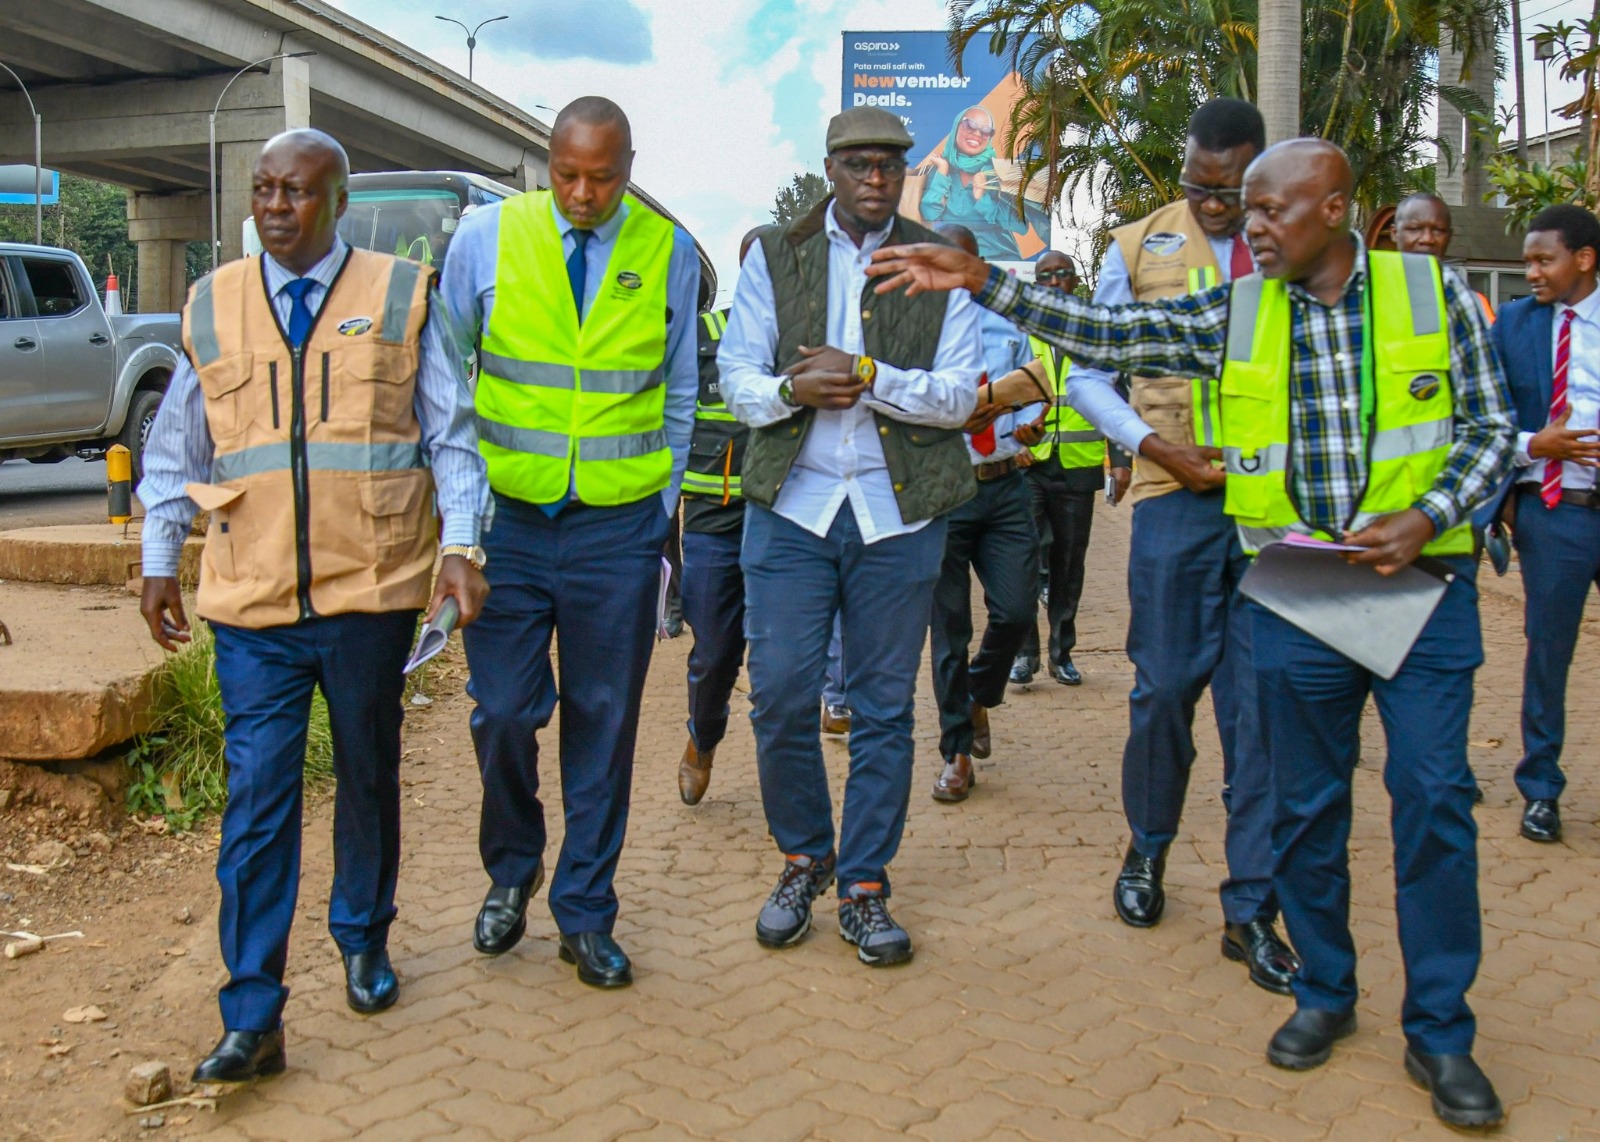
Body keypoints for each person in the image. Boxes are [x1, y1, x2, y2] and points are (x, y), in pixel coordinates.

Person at [869, 136, 1515, 1130]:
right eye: (1244, 208)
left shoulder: (1432, 298)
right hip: (1304, 580)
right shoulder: (1240, 308)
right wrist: (985, 280)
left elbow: (1489, 430)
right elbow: (1112, 333)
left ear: (1335, 206)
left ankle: (1439, 1030)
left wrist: (1429, 513)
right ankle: (1327, 993)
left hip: (1417, 581)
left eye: (1270, 209)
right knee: (1303, 803)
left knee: (1432, 798)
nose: (1250, 226)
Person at [137, 129, 491, 1081]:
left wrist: (461, 548)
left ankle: (363, 938)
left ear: (337, 203)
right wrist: (158, 554)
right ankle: (252, 1010)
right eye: (263, 191)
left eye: (295, 191)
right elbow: (180, 448)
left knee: (369, 774)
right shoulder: (211, 304)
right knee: (257, 797)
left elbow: (451, 438)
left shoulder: (399, 296)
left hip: (369, 593)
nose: (275, 207)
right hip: (250, 601)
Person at [441, 96, 700, 988]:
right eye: (566, 175)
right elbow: (451, 388)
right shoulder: (484, 239)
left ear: (631, 166)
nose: (583, 194)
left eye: (604, 177)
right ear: (542, 161)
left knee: (603, 721)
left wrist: (656, 518)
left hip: (615, 534)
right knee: (505, 713)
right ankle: (512, 872)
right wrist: (459, 526)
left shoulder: (667, 254)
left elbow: (679, 394)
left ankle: (585, 910)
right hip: (508, 526)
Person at [719, 107, 981, 966]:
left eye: (890, 166)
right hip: (791, 510)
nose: (876, 178)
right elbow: (737, 380)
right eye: (860, 164)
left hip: (895, 516)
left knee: (881, 707)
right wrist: (799, 390)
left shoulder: (934, 258)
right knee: (782, 694)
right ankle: (804, 857)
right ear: (829, 168)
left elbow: (959, 397)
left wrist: (868, 377)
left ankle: (864, 884)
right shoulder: (775, 252)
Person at [1045, 99, 1295, 996]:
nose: (1217, 206)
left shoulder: (1294, 246)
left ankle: (1253, 905)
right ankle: (1147, 850)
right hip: (1172, 499)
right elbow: (1086, 373)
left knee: (1263, 706)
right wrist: (1152, 449)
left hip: (1278, 511)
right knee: (1161, 693)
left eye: (1232, 190)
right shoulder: (1133, 247)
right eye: (1199, 187)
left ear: (1261, 174)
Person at [1488, 204, 1600, 846]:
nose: (1529, 271)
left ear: (1583, 259)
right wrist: (1537, 445)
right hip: (1556, 514)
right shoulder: (1517, 328)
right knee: (1548, 653)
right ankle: (1541, 789)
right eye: (1527, 259)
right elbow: (1487, 421)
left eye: (1541, 259)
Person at [925, 222, 1042, 803]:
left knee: (1017, 611)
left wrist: (1032, 421)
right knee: (948, 632)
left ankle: (976, 697)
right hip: (945, 493)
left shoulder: (1008, 324)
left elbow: (1033, 392)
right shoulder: (914, 334)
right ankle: (957, 753)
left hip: (1005, 488)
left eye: (964, 265)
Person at [1011, 250, 1133, 686]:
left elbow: (1119, 400)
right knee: (1022, 560)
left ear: (1075, 280)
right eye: (1046, 275)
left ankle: (1062, 652)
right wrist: (1010, 443)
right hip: (1028, 465)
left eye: (1063, 274)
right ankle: (1025, 655)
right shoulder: (1020, 331)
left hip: (1078, 469)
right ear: (1037, 282)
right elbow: (999, 393)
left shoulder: (1096, 333)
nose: (1055, 281)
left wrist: (1120, 459)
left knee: (1068, 564)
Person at [677, 226, 765, 805]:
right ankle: (702, 738)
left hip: (782, 519)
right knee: (713, 652)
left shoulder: (810, 344)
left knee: (780, 662)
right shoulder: (704, 335)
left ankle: (784, 784)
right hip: (712, 519)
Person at [919, 105, 1028, 260]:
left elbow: (1019, 225)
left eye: (986, 131)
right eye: (970, 125)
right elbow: (929, 214)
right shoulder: (939, 170)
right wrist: (943, 171)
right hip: (950, 256)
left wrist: (982, 197)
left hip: (996, 258)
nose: (977, 134)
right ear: (956, 127)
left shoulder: (999, 172)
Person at [1394, 192, 1495, 322]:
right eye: (1415, 229)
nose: (1427, 239)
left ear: (1449, 236)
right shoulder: (1367, 286)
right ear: (1394, 233)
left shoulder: (1468, 301)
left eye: (1438, 230)